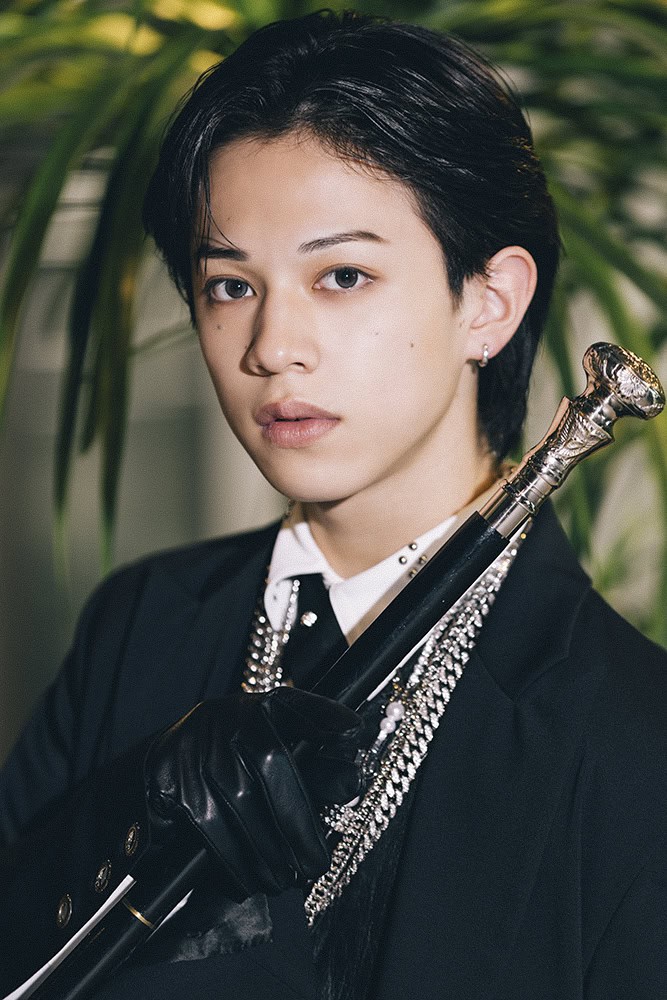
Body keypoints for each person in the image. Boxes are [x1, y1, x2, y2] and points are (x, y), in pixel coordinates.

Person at [1, 10, 665, 1000]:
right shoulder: (138, 626)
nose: (272, 346)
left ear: (487, 302)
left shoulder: (630, 738)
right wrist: (130, 810)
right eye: (229, 285)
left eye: (342, 276)